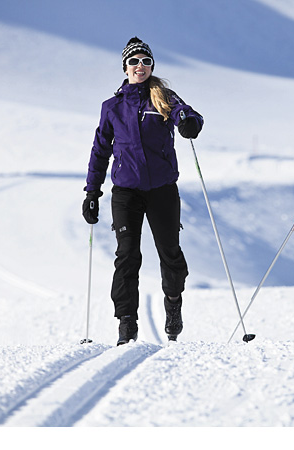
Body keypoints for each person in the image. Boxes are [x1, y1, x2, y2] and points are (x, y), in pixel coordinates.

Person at [82, 37, 203, 345]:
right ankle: (126, 323)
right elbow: (100, 150)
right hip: (126, 192)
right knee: (127, 255)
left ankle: (173, 303)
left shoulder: (163, 97)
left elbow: (187, 114)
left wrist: (189, 122)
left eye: (146, 61)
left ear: (152, 66)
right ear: (125, 67)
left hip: (162, 189)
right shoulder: (112, 107)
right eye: (134, 61)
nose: (140, 66)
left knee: (170, 253)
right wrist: (92, 192)